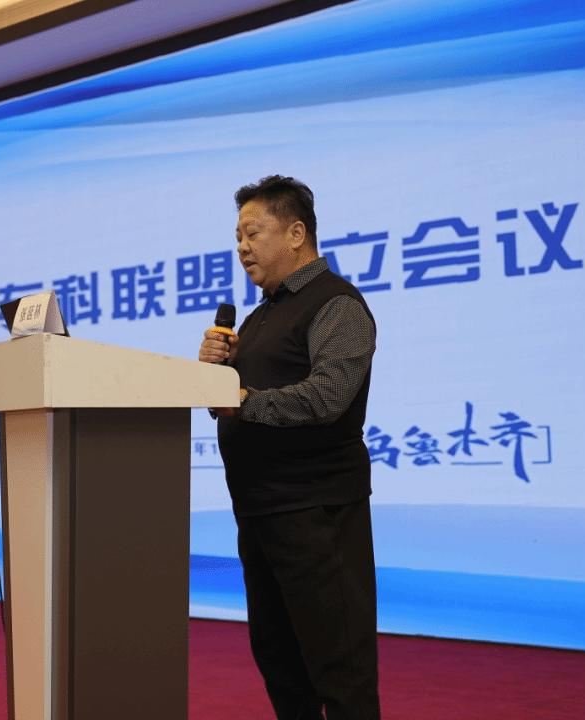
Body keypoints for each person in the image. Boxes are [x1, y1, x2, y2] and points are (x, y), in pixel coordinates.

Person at [198, 175, 381, 720]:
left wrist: (239, 398)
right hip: (260, 513)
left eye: (252, 233)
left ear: (296, 233)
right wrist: (217, 377)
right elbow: (236, 404)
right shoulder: (258, 317)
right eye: (237, 236)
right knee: (281, 666)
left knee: (340, 673)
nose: (241, 247)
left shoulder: (337, 304)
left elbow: (327, 398)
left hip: (316, 514)